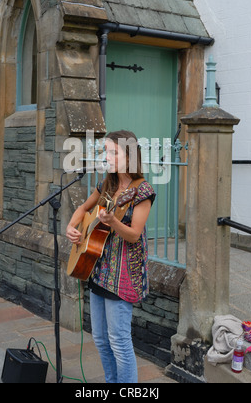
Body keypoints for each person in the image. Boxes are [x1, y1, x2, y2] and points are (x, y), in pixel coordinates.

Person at [66, 130, 155, 383]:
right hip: (97, 268)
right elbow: (84, 208)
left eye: (113, 152)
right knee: (100, 339)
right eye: (106, 151)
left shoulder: (142, 191)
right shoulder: (108, 184)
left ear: (129, 155)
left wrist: (113, 220)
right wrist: (72, 228)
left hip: (123, 275)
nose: (108, 157)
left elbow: (133, 235)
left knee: (119, 342)